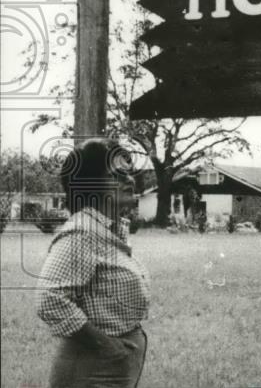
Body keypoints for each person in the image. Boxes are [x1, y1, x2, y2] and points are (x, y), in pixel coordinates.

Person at [36, 139, 151, 388]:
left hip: (110, 367)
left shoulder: (107, 230)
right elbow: (49, 299)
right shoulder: (82, 232)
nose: (129, 180)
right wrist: (104, 344)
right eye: (118, 174)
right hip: (92, 370)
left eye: (129, 173)